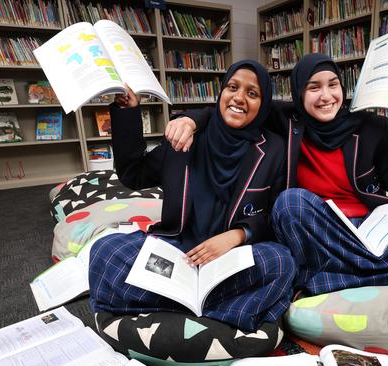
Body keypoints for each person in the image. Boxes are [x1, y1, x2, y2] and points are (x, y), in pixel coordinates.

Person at [169, 53, 388, 297]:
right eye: (314, 87)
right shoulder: (286, 121)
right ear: (300, 93)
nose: (326, 96)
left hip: (371, 227)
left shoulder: (369, 126)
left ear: (343, 88)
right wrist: (190, 119)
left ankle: (342, 276)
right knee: (289, 204)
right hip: (320, 227)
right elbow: (236, 107)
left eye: (333, 85)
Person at [88, 60, 295, 332]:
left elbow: (274, 215)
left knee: (281, 262)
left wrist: (237, 235)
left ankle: (175, 304)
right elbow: (133, 175)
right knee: (105, 251)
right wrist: (129, 111)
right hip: (177, 252)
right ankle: (219, 310)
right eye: (232, 87)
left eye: (252, 93)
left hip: (232, 258)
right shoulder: (183, 137)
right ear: (221, 93)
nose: (239, 97)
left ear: (263, 104)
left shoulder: (274, 149)